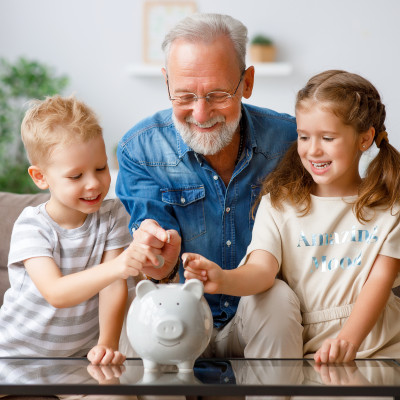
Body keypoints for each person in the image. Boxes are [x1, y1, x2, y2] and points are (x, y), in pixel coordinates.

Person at [116, 13, 303, 359]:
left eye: (217, 95)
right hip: (180, 311)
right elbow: (155, 260)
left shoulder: (290, 141)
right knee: (138, 309)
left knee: (278, 298)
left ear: (246, 83)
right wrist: (161, 263)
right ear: (166, 83)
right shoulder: (139, 149)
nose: (201, 115)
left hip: (256, 312)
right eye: (184, 96)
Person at [184, 69, 400, 363]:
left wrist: (347, 341)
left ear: (365, 139)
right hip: (304, 350)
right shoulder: (279, 205)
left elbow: (380, 282)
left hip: (377, 348)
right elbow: (261, 272)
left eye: (327, 137)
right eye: (303, 137)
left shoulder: (389, 210)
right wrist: (222, 279)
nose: (313, 150)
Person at [0, 95, 158, 365]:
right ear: (40, 177)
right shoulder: (32, 225)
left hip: (77, 361)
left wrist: (106, 345)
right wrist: (120, 266)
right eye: (76, 176)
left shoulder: (111, 216)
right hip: (16, 356)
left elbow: (112, 287)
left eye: (101, 168)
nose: (93, 183)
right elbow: (56, 293)